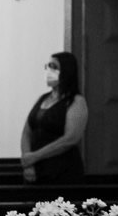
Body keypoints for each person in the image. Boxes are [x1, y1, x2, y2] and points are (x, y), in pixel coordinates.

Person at [20, 52, 87, 184]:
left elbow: (70, 139)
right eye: (47, 66)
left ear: (66, 71)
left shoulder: (76, 101)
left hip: (62, 170)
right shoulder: (42, 99)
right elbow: (27, 132)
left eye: (53, 67)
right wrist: (28, 162)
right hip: (35, 170)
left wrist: (36, 156)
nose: (48, 71)